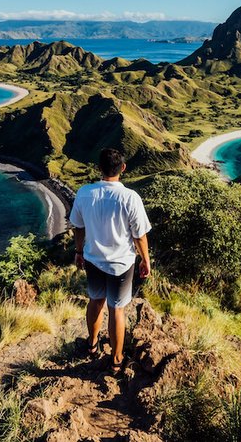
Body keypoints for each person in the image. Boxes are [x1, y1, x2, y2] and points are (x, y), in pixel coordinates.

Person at [69, 147, 152, 374]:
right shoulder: (130, 197)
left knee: (96, 301)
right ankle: (116, 361)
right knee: (117, 309)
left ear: (99, 169)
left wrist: (78, 252)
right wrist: (146, 260)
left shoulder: (85, 193)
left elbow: (78, 226)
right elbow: (140, 235)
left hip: (93, 259)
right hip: (121, 264)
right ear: (123, 168)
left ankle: (92, 344)